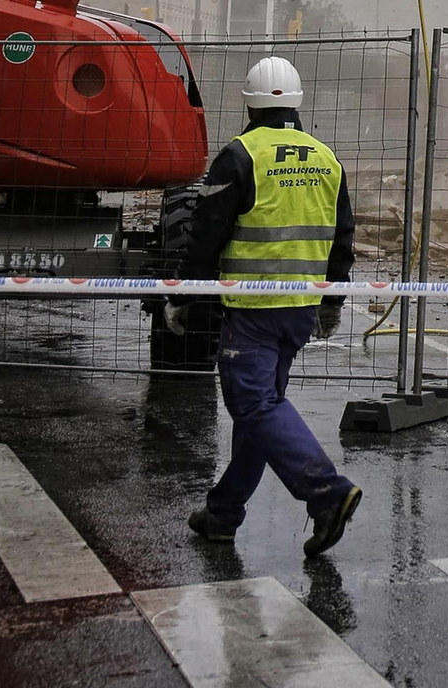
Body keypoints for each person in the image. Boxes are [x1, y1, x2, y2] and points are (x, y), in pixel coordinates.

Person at [178, 56, 361, 557]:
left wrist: (185, 295)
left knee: (254, 405)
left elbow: (205, 235)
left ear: (248, 101)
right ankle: (222, 515)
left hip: (253, 307)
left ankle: (327, 492)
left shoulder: (240, 156)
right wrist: (332, 304)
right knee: (260, 412)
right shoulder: (327, 158)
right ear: (298, 102)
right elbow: (343, 241)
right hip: (300, 308)